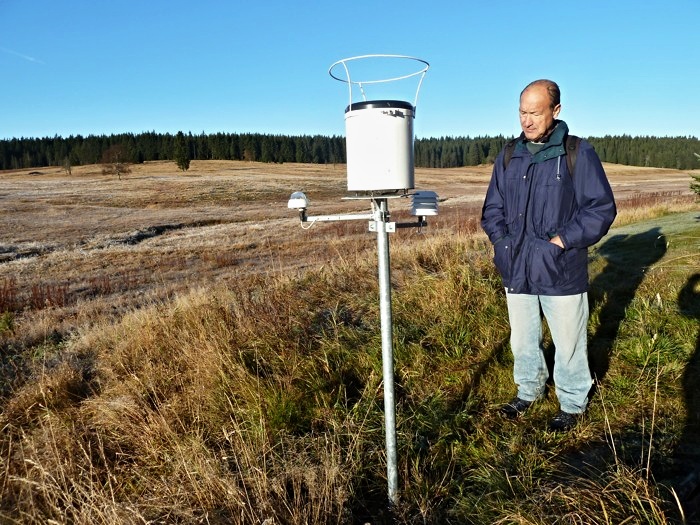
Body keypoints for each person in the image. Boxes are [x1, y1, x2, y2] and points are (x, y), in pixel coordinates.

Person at [481, 79, 617, 431]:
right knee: (522, 338)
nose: (526, 121)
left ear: (555, 111)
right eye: (522, 112)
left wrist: (560, 242)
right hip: (517, 267)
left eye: (535, 113)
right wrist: (502, 243)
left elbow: (599, 209)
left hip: (560, 268)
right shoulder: (510, 155)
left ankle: (572, 404)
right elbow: (492, 208)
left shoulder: (577, 152)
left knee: (569, 341)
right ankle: (528, 391)